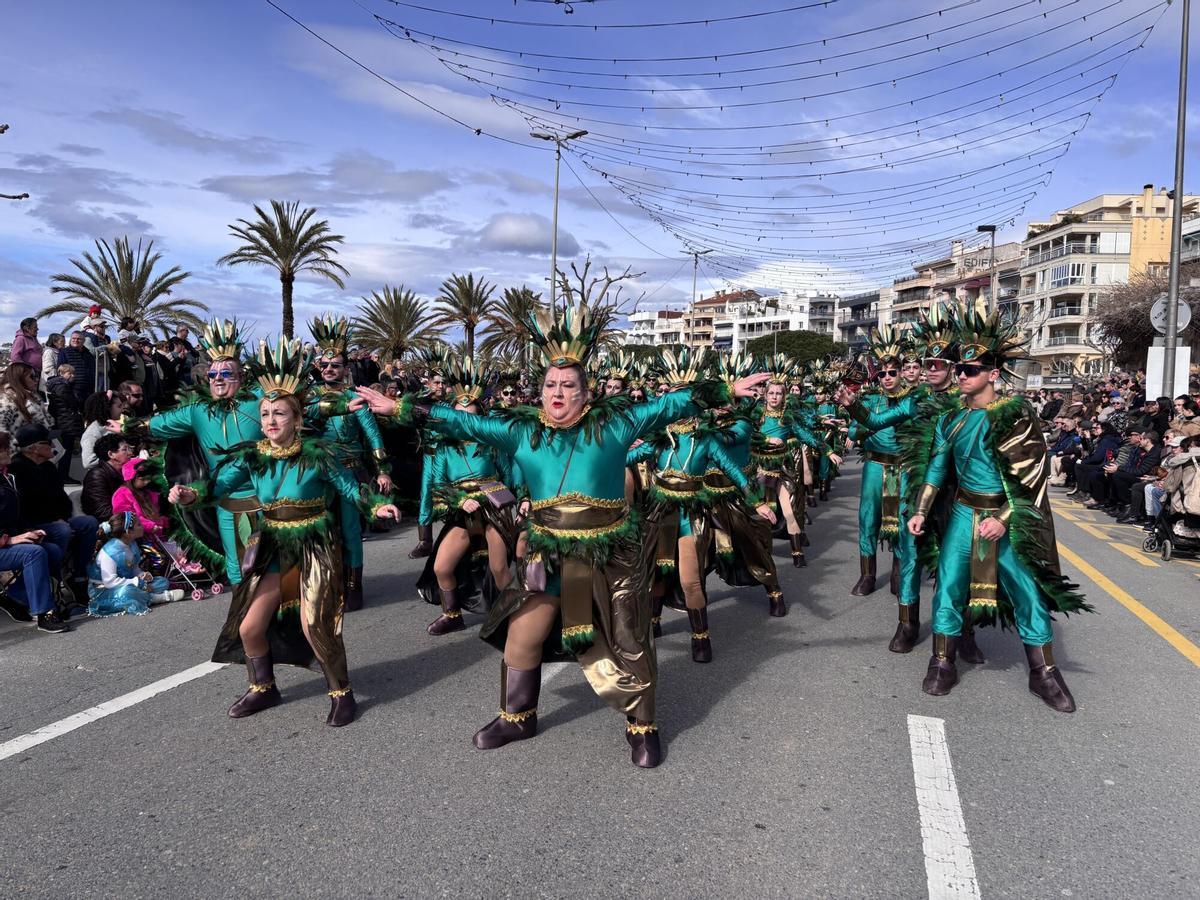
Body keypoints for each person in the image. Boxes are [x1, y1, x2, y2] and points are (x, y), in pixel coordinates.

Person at [357, 302, 770, 768]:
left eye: (568, 385)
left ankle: (643, 727)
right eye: (551, 384)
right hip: (547, 553)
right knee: (523, 635)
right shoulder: (521, 434)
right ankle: (518, 716)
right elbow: (462, 421)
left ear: (586, 394)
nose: (557, 391)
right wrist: (399, 406)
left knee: (629, 641)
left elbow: (670, 403)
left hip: (611, 554)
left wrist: (724, 389)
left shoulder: (615, 425)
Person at [169, 336, 400, 727]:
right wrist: (190, 493)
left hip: (315, 544)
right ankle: (263, 686)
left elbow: (350, 489)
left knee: (315, 624)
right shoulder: (253, 457)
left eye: (279, 414)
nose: (271, 422)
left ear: (296, 418)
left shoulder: (318, 456)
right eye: (265, 415)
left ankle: (341, 691)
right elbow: (218, 488)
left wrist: (379, 505)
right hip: (273, 543)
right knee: (249, 626)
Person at [907, 300, 1091, 712]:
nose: (960, 376)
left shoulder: (1016, 413)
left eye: (970, 370)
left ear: (993, 374)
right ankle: (942, 662)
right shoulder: (948, 420)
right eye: (958, 370)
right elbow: (936, 468)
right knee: (949, 587)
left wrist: (1005, 520)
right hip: (961, 513)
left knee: (1026, 591)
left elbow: (1032, 476)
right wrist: (920, 510)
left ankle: (1043, 673)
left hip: (1003, 518)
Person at [632, 350, 777, 662]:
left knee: (689, 579)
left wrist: (757, 503)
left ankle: (701, 638)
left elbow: (734, 472)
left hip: (691, 515)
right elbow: (627, 458)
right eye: (674, 397)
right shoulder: (659, 437)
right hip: (659, 512)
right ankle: (654, 622)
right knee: (656, 574)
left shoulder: (707, 439)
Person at [414, 357, 520, 634]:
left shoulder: (493, 444)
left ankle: (510, 616)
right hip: (462, 512)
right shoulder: (444, 448)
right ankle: (452, 615)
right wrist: (460, 500)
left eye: (470, 416)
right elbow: (437, 487)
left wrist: (516, 503)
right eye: (460, 415)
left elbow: (509, 478)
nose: (465, 422)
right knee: (442, 567)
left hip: (494, 512)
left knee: (499, 569)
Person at [304, 316, 393, 612]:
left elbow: (372, 434)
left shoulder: (356, 398)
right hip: (318, 474)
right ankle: (325, 584)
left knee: (351, 530)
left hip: (352, 472)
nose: (330, 369)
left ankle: (354, 587)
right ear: (317, 366)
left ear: (345, 369)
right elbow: (306, 419)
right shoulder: (308, 399)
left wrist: (382, 470)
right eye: (325, 364)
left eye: (336, 365)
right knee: (321, 530)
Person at [847, 326, 912, 595]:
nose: (886, 377)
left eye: (892, 373)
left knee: (901, 520)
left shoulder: (911, 402)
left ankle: (899, 573)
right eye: (882, 373)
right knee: (868, 518)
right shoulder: (870, 401)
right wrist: (866, 427)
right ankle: (867, 575)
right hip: (874, 466)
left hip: (902, 468)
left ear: (901, 374)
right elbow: (853, 431)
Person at [9, 423, 99, 608]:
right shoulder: (18, 470)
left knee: (88, 523)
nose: (54, 445)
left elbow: (62, 500)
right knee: (62, 530)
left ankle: (78, 575)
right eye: (48, 442)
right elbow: (25, 507)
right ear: (34, 448)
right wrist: (54, 519)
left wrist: (61, 516)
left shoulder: (49, 467)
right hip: (32, 525)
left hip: (57, 521)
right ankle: (52, 580)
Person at [0, 431, 70, 632]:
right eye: (2, 448)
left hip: (9, 539)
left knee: (51, 548)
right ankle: (44, 612)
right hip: (4, 543)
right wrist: (11, 540)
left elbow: (15, 513)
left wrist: (29, 531)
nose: (7, 451)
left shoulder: (6, 476)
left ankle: (22, 593)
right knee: (34, 553)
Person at [87, 512, 183, 617]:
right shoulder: (110, 552)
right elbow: (110, 582)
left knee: (162, 581)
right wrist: (138, 583)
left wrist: (142, 575)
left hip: (126, 582)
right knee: (127, 592)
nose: (142, 526)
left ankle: (144, 596)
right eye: (139, 525)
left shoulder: (131, 543)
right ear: (128, 532)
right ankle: (161, 597)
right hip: (104, 591)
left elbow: (133, 567)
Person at [45, 364, 85, 483]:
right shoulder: (62, 387)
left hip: (63, 420)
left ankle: (63, 475)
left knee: (65, 449)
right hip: (67, 421)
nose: (73, 376)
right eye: (70, 373)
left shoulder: (56, 386)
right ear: (61, 374)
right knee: (67, 449)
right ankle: (63, 475)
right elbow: (73, 402)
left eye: (74, 373)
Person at [81, 433, 134, 520]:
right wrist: (134, 517)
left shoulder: (125, 471)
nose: (130, 453)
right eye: (125, 450)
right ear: (111, 454)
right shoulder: (97, 476)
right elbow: (102, 511)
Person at [0, 362, 52, 435]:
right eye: (32, 376)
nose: (37, 379)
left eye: (36, 376)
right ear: (19, 378)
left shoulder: (33, 395)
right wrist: (28, 446)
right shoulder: (5, 401)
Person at [80, 391, 127, 469]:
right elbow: (88, 462)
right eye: (119, 406)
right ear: (107, 407)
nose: (122, 410)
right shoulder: (93, 431)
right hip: (105, 477)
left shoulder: (111, 425)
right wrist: (116, 458)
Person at [58, 331, 99, 402]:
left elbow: (93, 370)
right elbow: (61, 371)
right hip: (72, 390)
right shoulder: (64, 352)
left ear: (83, 341)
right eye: (73, 338)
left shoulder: (88, 354)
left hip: (88, 391)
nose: (76, 340)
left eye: (78, 339)